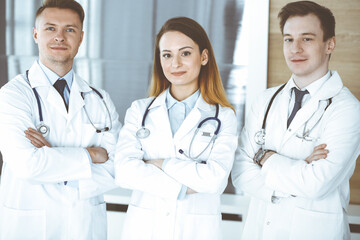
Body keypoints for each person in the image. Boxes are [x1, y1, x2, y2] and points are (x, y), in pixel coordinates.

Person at [231, 1, 360, 239]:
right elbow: (240, 173)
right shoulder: (265, 100)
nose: (295, 48)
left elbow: (316, 184)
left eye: (307, 39)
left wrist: (263, 157)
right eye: (288, 39)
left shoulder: (347, 109)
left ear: (329, 44)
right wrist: (298, 170)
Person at [0, 0, 121, 239]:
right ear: (35, 34)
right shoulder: (12, 95)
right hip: (30, 227)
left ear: (81, 37)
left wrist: (52, 155)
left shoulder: (100, 99)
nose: (60, 37)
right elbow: (28, 165)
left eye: (70, 29)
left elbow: (118, 168)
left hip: (85, 226)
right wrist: (91, 155)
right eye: (50, 28)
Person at [114, 17, 238, 240]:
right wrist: (183, 186)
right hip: (144, 230)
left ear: (204, 57)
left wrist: (161, 164)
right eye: (167, 55)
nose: (175, 63)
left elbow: (215, 180)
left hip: (197, 231)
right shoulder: (139, 110)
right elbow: (124, 172)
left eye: (186, 53)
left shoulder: (224, 117)